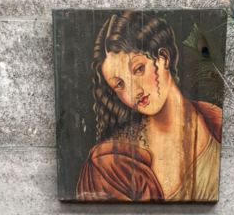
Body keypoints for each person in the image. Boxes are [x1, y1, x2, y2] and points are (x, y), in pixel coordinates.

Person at [76, 11, 222, 202]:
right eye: (119, 84)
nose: (134, 92)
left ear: (164, 58)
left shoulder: (215, 120)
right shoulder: (110, 165)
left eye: (139, 69)